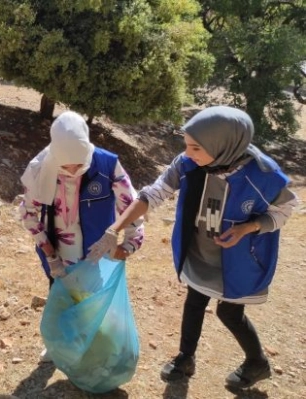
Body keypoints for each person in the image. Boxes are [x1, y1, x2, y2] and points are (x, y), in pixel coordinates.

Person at [87, 106, 298, 390]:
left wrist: (248, 228)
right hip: (200, 253)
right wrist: (115, 228)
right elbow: (154, 193)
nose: (187, 153)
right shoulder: (188, 164)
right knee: (195, 301)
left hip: (236, 262)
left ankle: (257, 362)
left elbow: (287, 207)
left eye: (196, 147)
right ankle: (185, 359)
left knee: (229, 313)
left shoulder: (261, 175)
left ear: (221, 145)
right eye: (186, 145)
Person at [19, 111, 145, 361]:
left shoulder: (107, 165)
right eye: (66, 166)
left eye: (80, 164)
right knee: (60, 296)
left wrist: (130, 243)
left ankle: (93, 347)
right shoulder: (39, 169)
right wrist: (48, 252)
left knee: (93, 301)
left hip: (96, 252)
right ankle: (58, 346)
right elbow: (28, 214)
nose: (74, 170)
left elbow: (131, 206)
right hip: (58, 252)